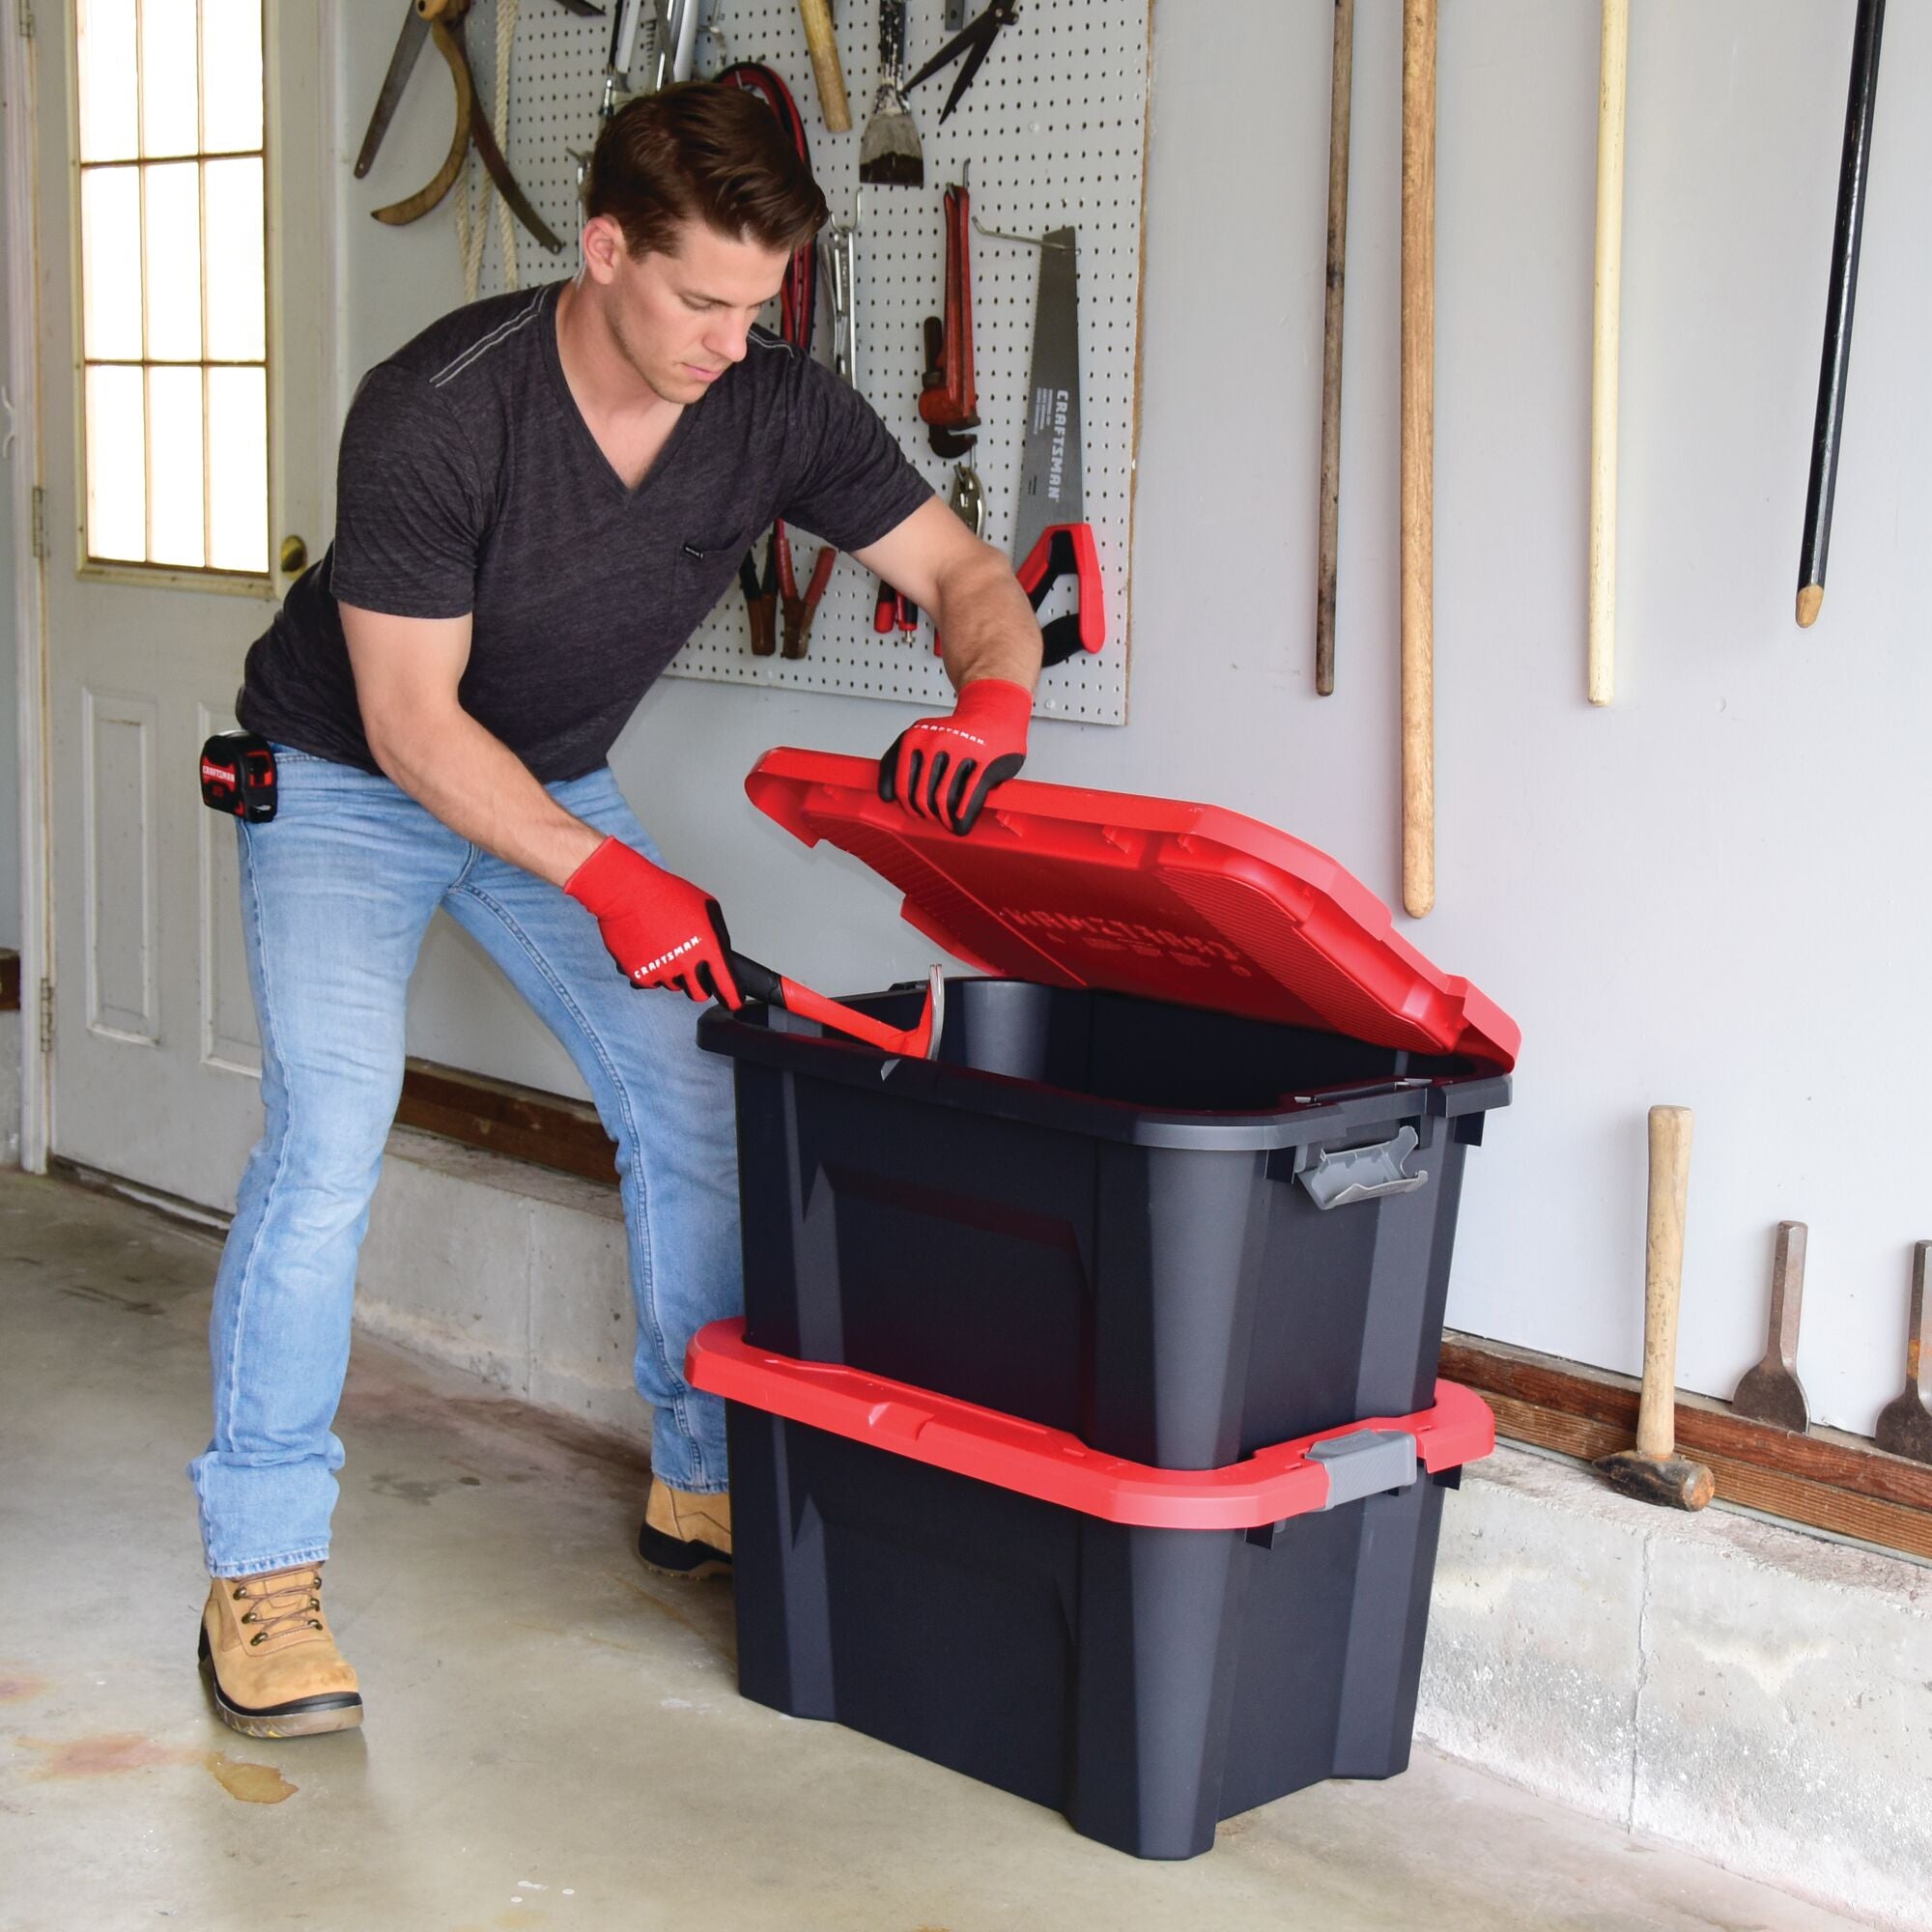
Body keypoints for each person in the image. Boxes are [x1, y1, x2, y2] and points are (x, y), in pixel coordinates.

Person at [191, 82, 1044, 1741]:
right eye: (700, 302)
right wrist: (616, 874)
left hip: (550, 773)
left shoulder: (774, 402)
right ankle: (264, 1577)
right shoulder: (439, 410)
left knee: (692, 1095)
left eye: (759, 304)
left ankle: (706, 1479)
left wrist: (992, 700)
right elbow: (412, 726)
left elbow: (967, 579)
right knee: (327, 1147)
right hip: (347, 779)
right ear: (603, 251)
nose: (733, 342)